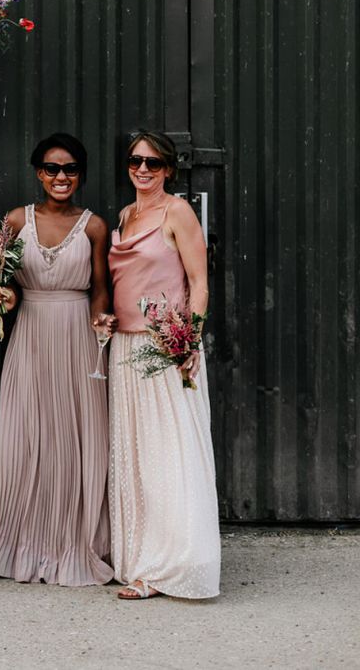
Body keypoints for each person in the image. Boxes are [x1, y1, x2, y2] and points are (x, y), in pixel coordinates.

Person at [0, 133, 115, 586]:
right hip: (31, 333)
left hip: (78, 335)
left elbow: (100, 286)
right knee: (26, 436)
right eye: (52, 169)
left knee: (74, 439)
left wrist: (102, 320)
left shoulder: (95, 226)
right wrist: (5, 293)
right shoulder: (17, 220)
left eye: (70, 170)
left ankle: (74, 542)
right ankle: (24, 543)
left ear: (81, 175)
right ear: (38, 173)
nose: (61, 177)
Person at [108, 130, 220, 600]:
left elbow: (199, 283)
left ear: (169, 170)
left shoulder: (178, 212)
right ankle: (141, 560)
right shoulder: (126, 215)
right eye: (136, 161)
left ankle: (176, 562)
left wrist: (188, 341)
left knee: (169, 455)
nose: (143, 170)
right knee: (134, 455)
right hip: (125, 348)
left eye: (154, 164)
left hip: (164, 349)